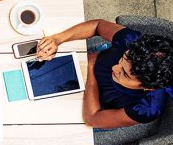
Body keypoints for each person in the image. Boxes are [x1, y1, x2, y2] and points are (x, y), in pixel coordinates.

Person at [36, 19, 173, 128]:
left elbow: (92, 118)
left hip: (96, 106)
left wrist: (91, 68)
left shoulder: (146, 108)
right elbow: (97, 25)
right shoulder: (130, 41)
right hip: (88, 63)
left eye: (124, 73)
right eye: (122, 59)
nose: (114, 68)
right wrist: (57, 39)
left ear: (148, 88)